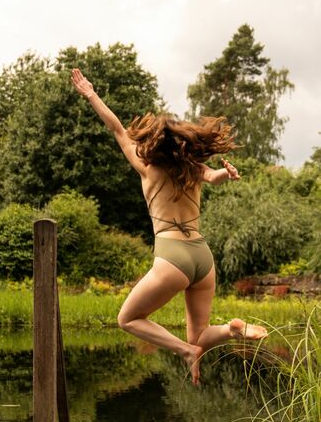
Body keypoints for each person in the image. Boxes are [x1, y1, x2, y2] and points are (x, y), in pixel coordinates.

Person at [70, 67, 267, 386]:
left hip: (172, 255)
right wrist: (224, 174)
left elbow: (118, 129)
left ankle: (184, 351)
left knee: (128, 319)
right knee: (202, 334)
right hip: (203, 257)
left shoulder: (148, 169)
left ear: (156, 143)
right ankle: (232, 331)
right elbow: (213, 177)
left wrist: (91, 94)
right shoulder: (194, 169)